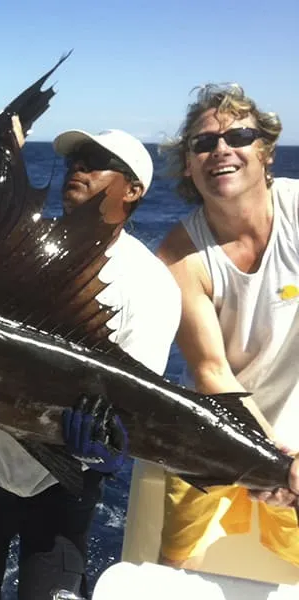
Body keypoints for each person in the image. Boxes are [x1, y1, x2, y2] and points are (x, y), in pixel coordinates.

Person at [0, 129, 182, 599]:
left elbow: (131, 405)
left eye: (96, 160)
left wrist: (100, 449)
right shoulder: (15, 250)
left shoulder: (151, 284)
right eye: (75, 159)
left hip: (64, 487)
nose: (79, 167)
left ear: (134, 190)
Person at [156, 83, 299, 569]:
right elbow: (212, 372)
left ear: (265, 151)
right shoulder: (178, 255)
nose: (220, 148)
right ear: (189, 166)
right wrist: (273, 463)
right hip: (212, 439)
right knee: (174, 570)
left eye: (238, 135)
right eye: (202, 143)